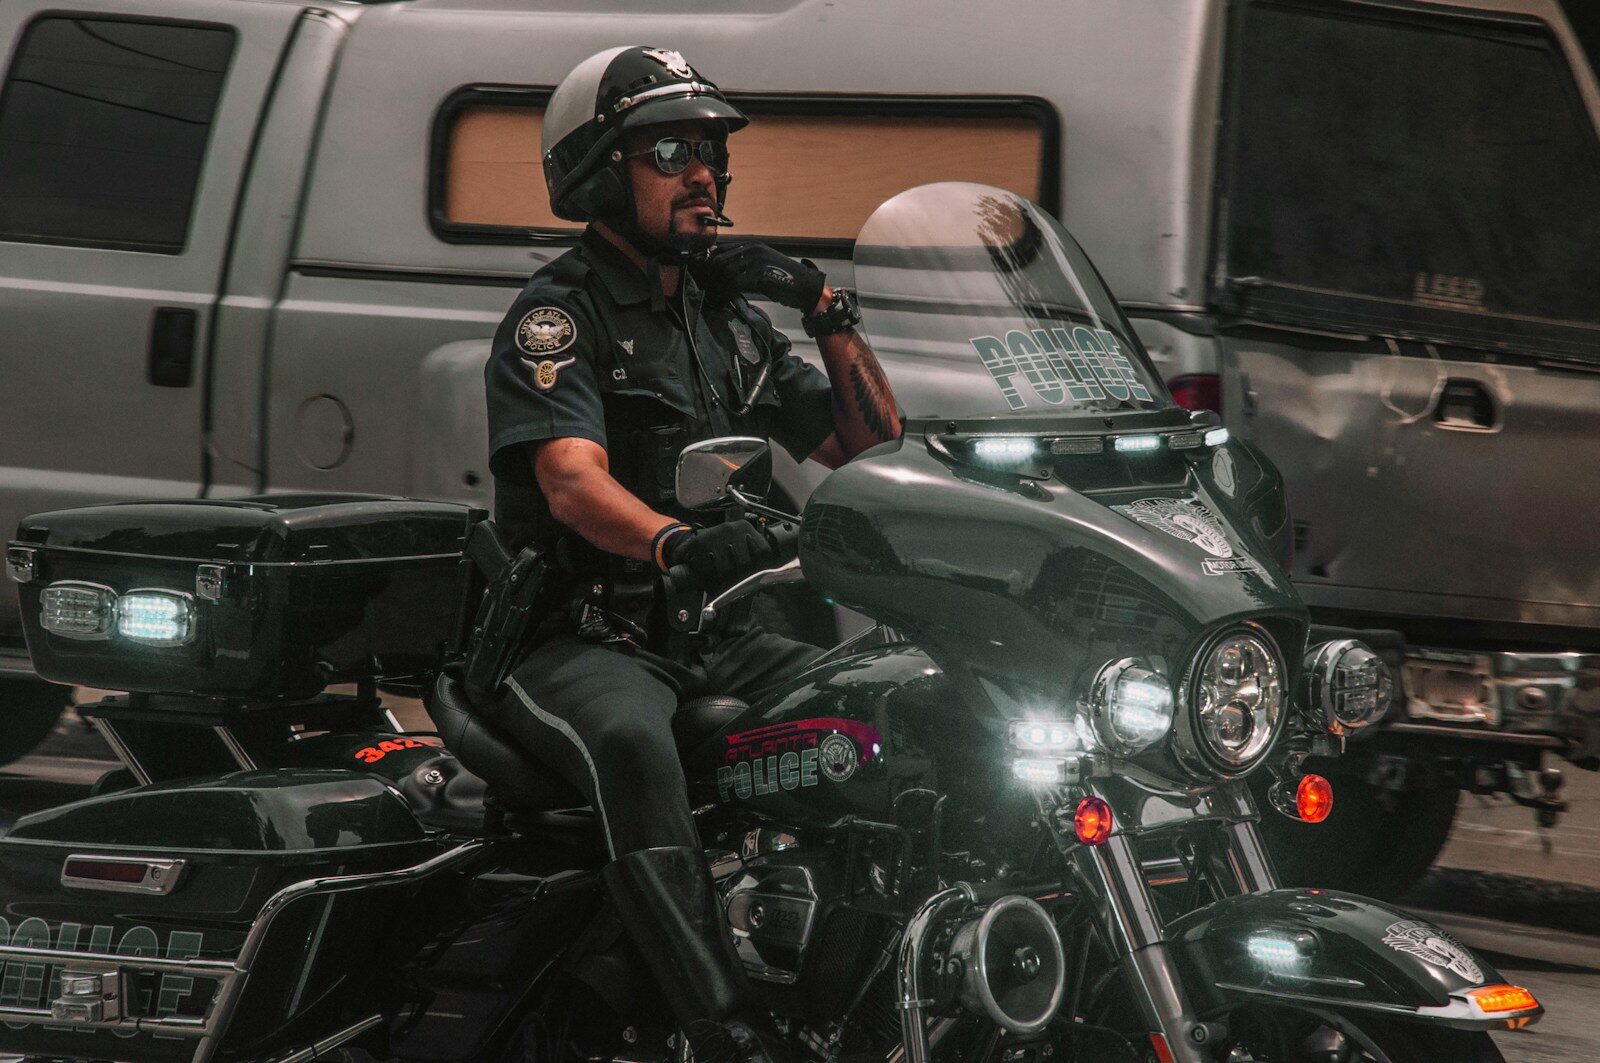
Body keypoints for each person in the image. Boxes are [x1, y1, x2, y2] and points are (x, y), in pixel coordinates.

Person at [482, 46, 901, 1061]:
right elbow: (570, 480)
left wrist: (825, 309)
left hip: (720, 638)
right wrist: (676, 543)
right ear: (595, 171)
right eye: (667, 148)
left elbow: (872, 449)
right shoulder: (559, 315)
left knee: (893, 702)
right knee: (634, 746)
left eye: (710, 149)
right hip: (585, 640)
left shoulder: (728, 321)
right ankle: (725, 1028)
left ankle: (878, 985)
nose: (702, 171)